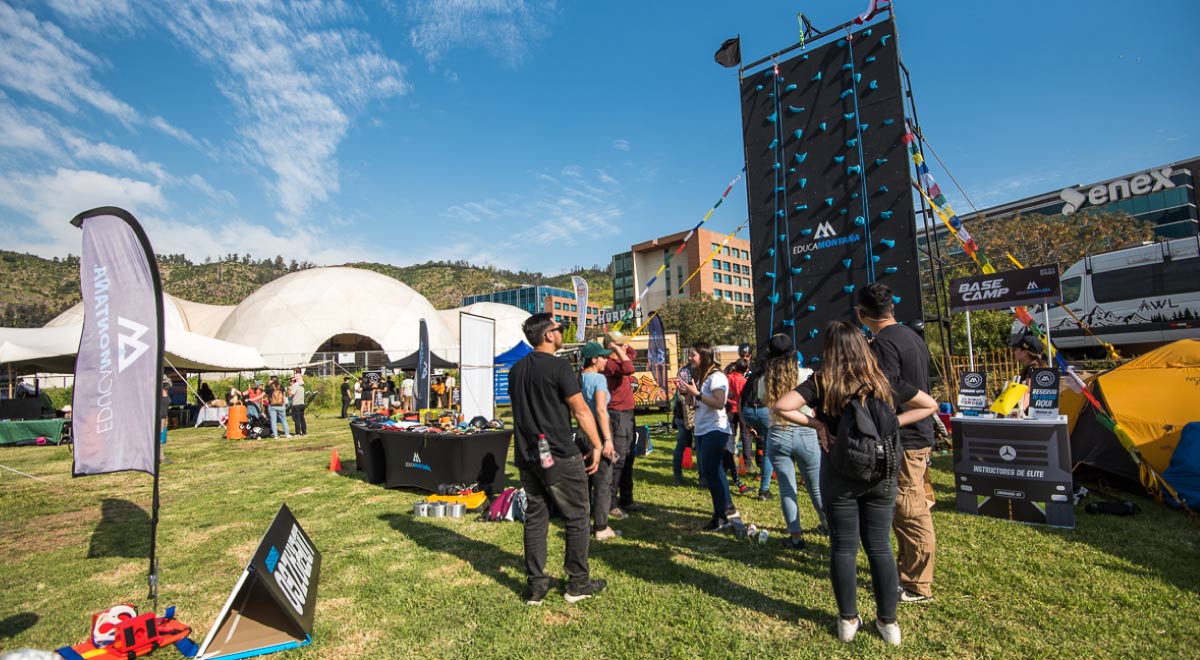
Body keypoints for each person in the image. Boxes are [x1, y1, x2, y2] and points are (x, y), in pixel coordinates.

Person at [773, 321, 938, 646]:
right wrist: (890, 425)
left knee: (844, 548)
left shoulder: (823, 381)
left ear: (830, 349)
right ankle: (888, 623)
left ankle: (847, 619)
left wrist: (819, 425)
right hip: (881, 472)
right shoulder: (883, 379)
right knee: (880, 547)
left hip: (839, 472)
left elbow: (782, 406)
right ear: (864, 345)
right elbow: (929, 405)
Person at [508, 313, 606, 605]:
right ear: (548, 335)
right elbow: (581, 411)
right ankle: (578, 583)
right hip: (558, 454)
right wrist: (598, 445)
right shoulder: (559, 366)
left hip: (528, 455)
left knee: (535, 518)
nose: (562, 331)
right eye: (559, 328)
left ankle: (536, 587)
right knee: (577, 516)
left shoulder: (515, 370)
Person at [857, 283, 938, 605]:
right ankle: (908, 568)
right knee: (909, 503)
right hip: (917, 434)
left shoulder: (884, 344)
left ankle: (917, 583)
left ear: (862, 314)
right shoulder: (910, 337)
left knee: (909, 510)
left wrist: (884, 422)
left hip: (907, 438)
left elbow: (889, 387)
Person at [760, 333, 827, 550]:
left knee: (787, 489)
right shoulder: (807, 374)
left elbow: (763, 401)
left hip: (778, 434)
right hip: (806, 432)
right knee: (816, 487)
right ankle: (828, 525)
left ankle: (796, 537)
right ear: (792, 353)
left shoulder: (764, 380)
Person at [676, 342, 745, 536]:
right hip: (703, 430)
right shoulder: (702, 377)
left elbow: (719, 402)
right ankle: (721, 513)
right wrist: (687, 392)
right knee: (710, 472)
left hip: (716, 429)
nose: (690, 358)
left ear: (704, 356)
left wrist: (696, 393)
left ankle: (724, 512)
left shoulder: (716, 376)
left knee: (713, 472)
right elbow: (694, 402)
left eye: (693, 355)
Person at [579, 341, 620, 540]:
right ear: (594, 359)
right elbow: (601, 410)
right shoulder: (599, 379)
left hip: (581, 431)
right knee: (603, 480)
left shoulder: (578, 378)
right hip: (598, 430)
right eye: (603, 357)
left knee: (585, 481)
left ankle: (582, 525)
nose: (606, 360)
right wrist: (607, 440)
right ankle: (602, 527)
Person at [602, 330, 640, 519]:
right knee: (619, 460)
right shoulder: (608, 364)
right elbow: (629, 367)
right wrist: (616, 348)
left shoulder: (619, 357)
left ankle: (627, 498)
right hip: (617, 414)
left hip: (627, 413)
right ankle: (611, 503)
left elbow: (632, 355)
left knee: (629, 457)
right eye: (621, 344)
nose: (626, 346)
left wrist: (620, 344)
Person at [740, 350, 774, 501]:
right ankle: (764, 490)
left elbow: (743, 397)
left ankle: (755, 460)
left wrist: (745, 421)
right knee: (768, 450)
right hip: (764, 411)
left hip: (748, 411)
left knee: (758, 440)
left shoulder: (752, 375)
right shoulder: (772, 377)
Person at [723, 359, 750, 495]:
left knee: (731, 436)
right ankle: (746, 461)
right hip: (741, 410)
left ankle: (732, 455)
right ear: (746, 370)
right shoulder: (745, 382)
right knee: (745, 436)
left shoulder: (728, 378)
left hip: (729, 410)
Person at [1010, 330, 1049, 413]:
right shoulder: (1038, 368)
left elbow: (1028, 392)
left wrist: (1018, 411)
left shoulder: (1033, 370)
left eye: (1016, 349)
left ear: (1024, 352)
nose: (1014, 352)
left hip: (1031, 417)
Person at [671, 363, 695, 487]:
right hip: (695, 413)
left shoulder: (683, 370)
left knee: (680, 446)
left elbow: (679, 391)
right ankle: (703, 479)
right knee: (700, 447)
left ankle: (677, 477)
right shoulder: (701, 370)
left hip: (681, 413)